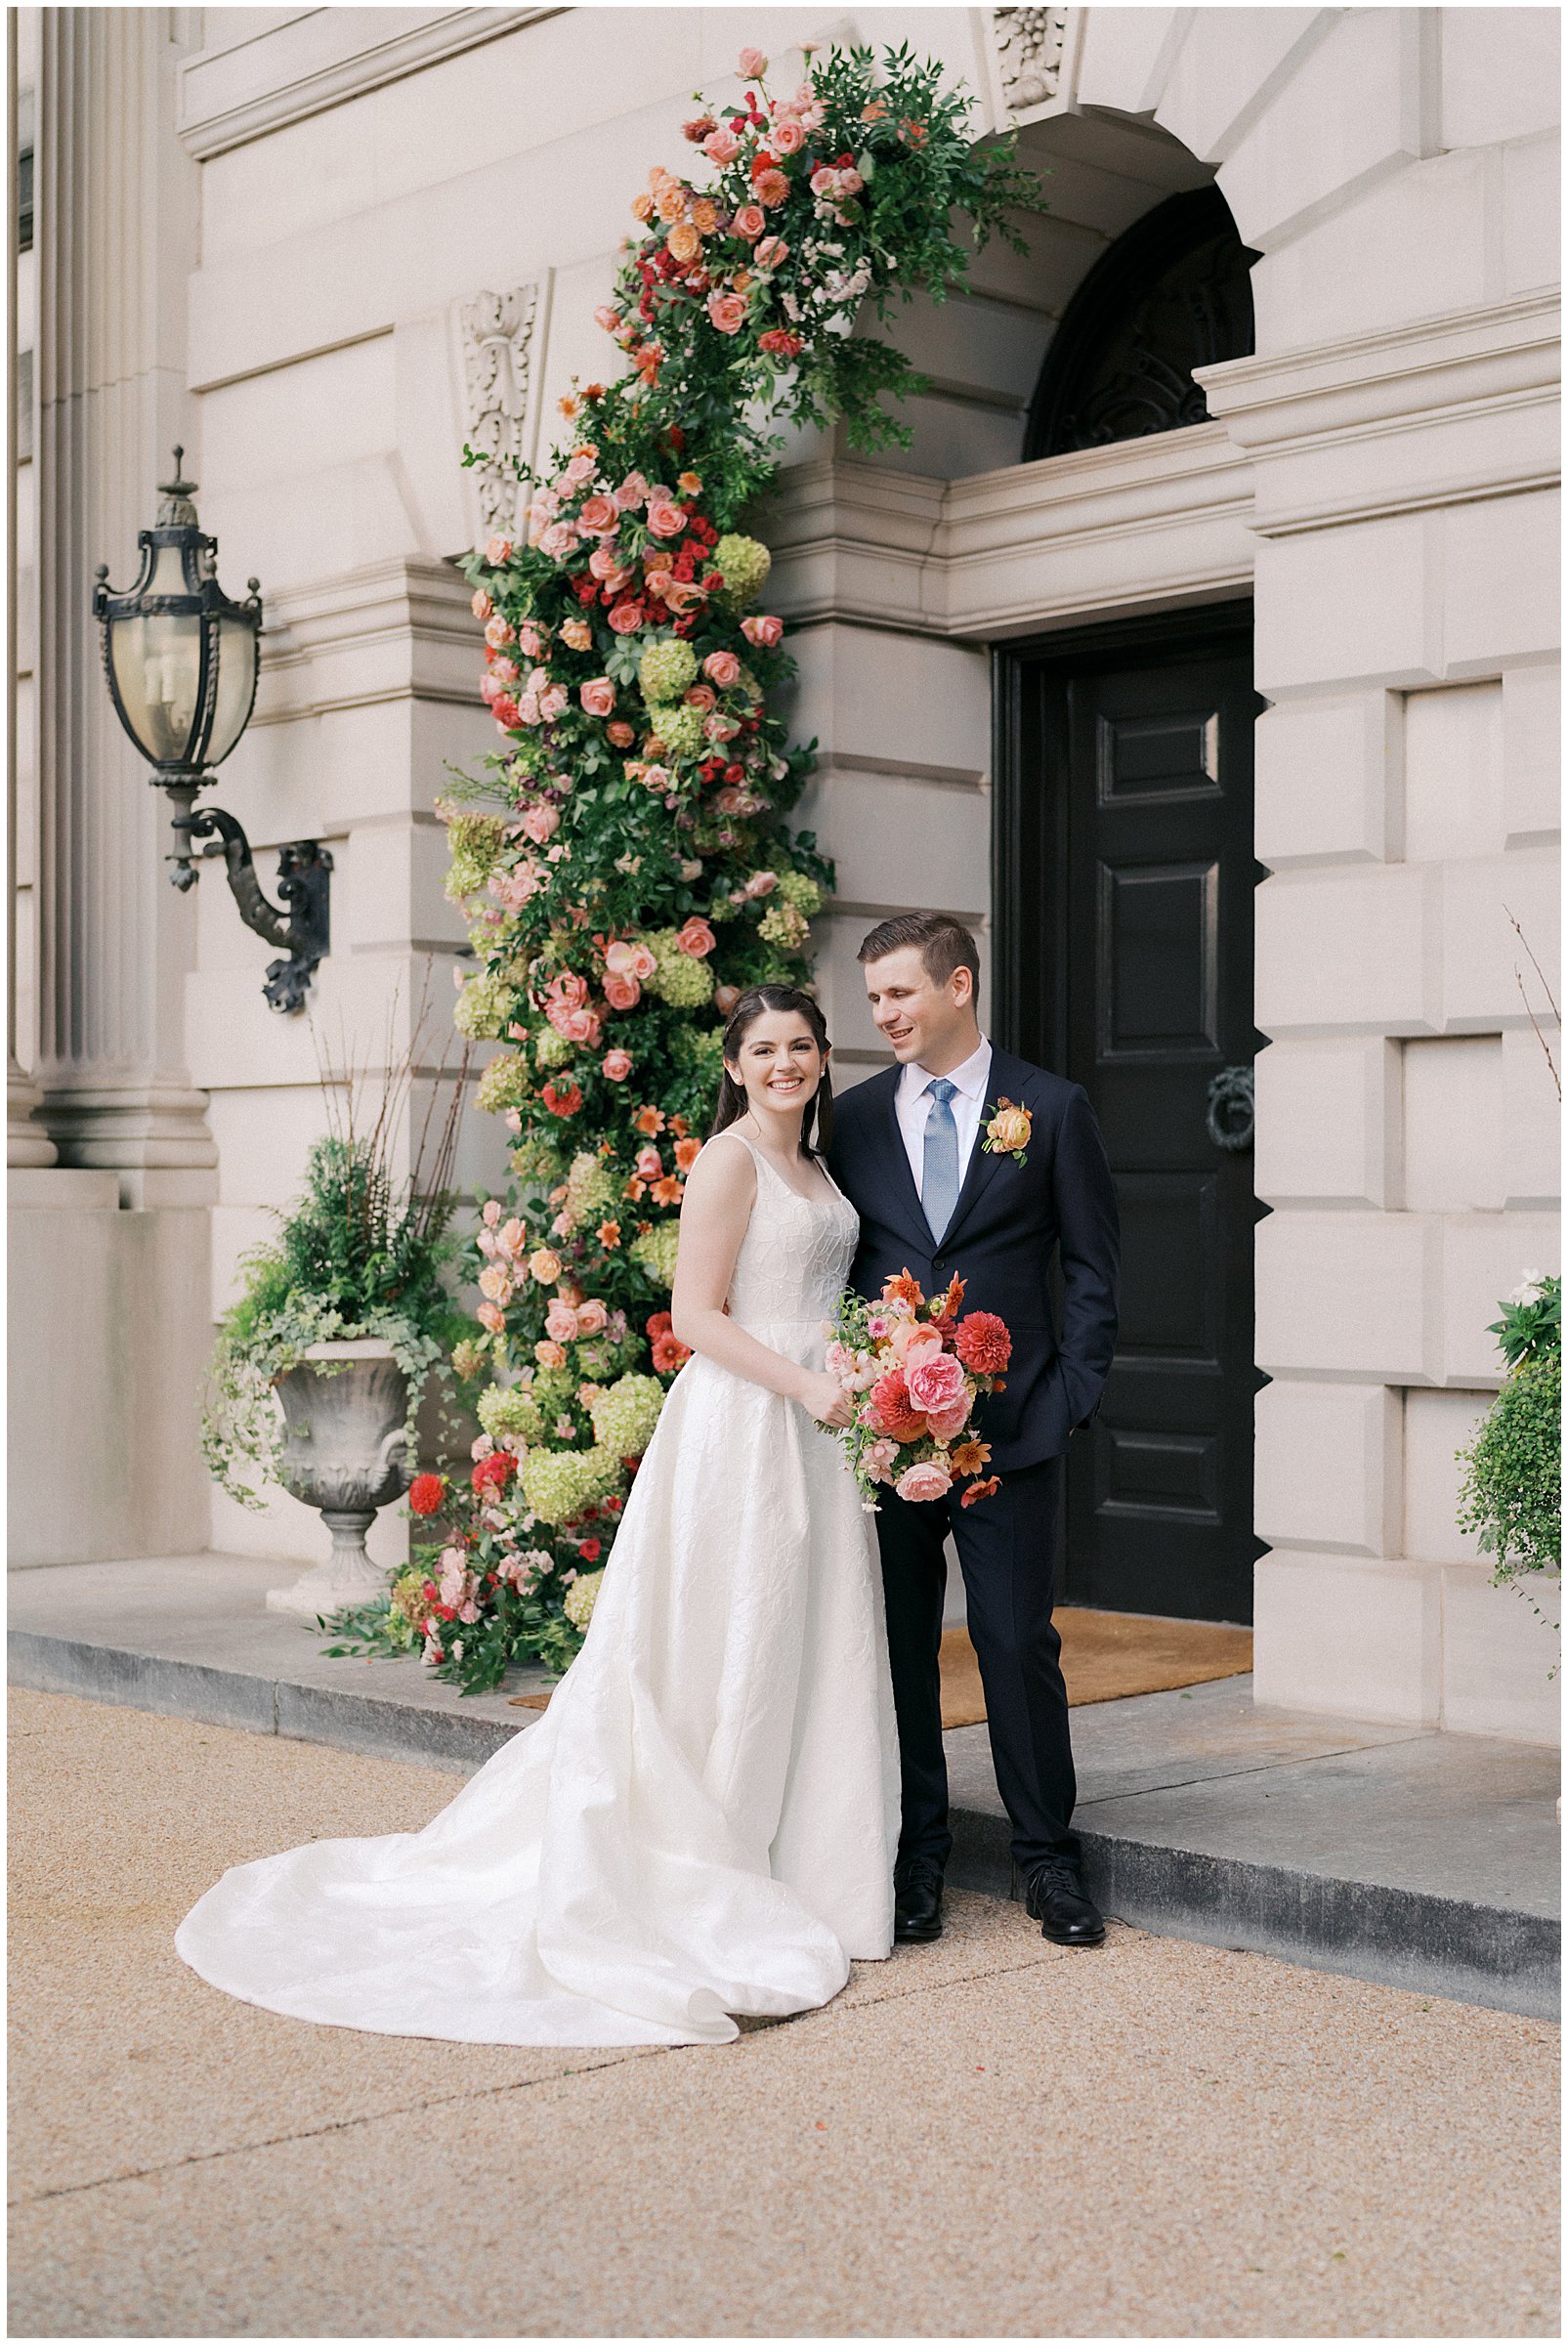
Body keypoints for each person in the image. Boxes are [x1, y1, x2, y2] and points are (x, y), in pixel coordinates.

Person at [176, 986, 900, 2047]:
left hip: (817, 1428)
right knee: (729, 1631)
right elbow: (696, 1317)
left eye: (800, 1046)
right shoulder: (731, 1160)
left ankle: (810, 1867)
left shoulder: (821, 1168)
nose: (785, 1063)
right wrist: (803, 1387)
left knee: (804, 1634)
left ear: (823, 1058)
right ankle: (710, 1856)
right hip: (747, 1428)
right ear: (735, 1065)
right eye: (764, 1049)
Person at [828, 914, 1120, 1950]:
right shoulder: (854, 1119)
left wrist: (1070, 1393)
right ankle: (918, 1859)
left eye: (901, 994)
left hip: (1012, 1434)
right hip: (889, 1437)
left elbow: (1090, 1265)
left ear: (960, 984)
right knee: (902, 1649)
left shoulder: (1048, 1107)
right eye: (874, 1001)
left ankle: (1049, 1861)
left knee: (1012, 1640)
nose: (885, 1016)